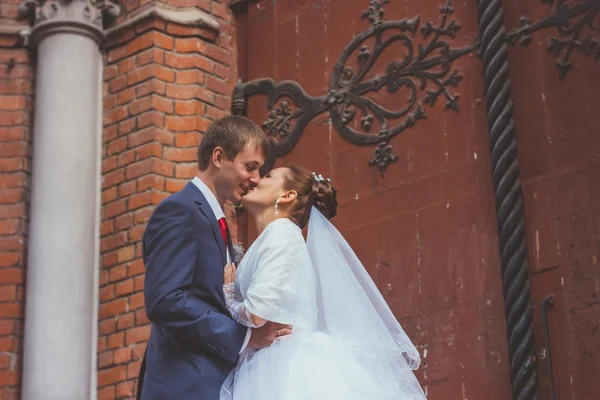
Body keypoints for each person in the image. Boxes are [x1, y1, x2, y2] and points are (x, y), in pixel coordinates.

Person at [220, 165, 427, 400]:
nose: (257, 179)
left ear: (288, 196)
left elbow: (257, 313)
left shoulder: (282, 234)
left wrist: (227, 292)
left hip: (282, 367)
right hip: (268, 359)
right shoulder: (274, 236)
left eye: (268, 176)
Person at [138, 116, 291, 400]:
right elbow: (166, 300)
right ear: (219, 157)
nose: (256, 179)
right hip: (185, 385)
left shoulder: (214, 221)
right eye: (250, 167)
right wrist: (245, 337)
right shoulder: (181, 211)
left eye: (259, 170)